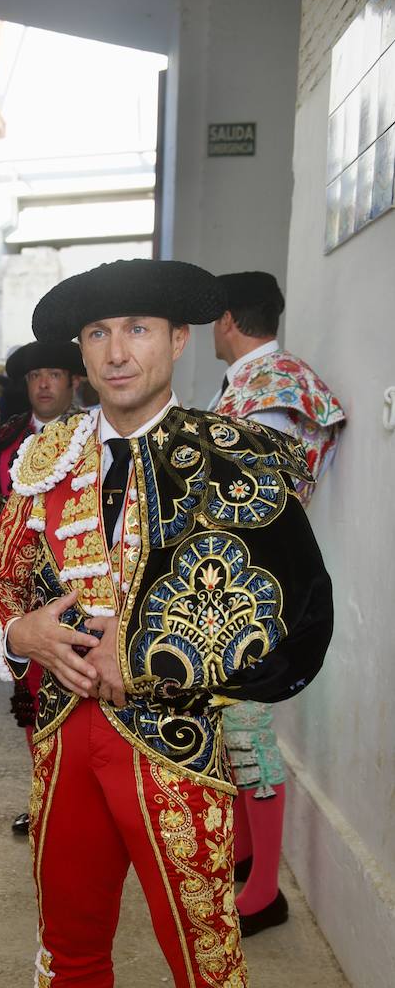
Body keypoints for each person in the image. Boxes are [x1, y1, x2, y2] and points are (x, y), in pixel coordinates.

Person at [0, 259, 333, 988]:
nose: (114, 350)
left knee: (205, 962)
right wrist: (24, 627)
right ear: (78, 355)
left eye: (135, 328)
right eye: (95, 336)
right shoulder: (45, 458)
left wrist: (169, 660)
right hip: (61, 747)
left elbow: (298, 618)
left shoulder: (236, 453)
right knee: (69, 932)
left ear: (180, 339)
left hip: (178, 756)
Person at [211, 270, 346, 936]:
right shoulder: (263, 382)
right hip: (245, 572)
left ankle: (264, 890)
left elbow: (255, 490)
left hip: (262, 578)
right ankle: (245, 860)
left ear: (229, 320)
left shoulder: (268, 390)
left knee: (247, 726)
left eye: (214, 318)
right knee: (232, 721)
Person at [0, 339, 85, 834]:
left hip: (76, 588)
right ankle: (45, 797)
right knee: (30, 702)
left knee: (80, 695)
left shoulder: (92, 434)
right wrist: (3, 529)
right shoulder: (7, 435)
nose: (43, 384)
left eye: (54, 374)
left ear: (73, 381)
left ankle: (76, 801)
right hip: (19, 589)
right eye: (36, 375)